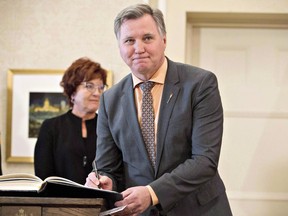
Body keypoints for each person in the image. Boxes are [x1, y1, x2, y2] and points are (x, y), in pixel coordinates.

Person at [85, 4, 232, 216]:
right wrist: (105, 181)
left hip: (199, 210)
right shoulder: (110, 99)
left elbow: (205, 160)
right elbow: (108, 166)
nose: (138, 48)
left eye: (147, 38)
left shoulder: (200, 83)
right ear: (119, 47)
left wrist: (152, 192)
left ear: (163, 40)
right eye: (129, 41)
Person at [34, 57, 107, 185]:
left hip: (101, 203)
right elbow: (43, 177)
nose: (97, 93)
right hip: (58, 202)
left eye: (101, 87)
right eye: (89, 86)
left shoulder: (108, 128)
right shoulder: (51, 127)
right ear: (72, 92)